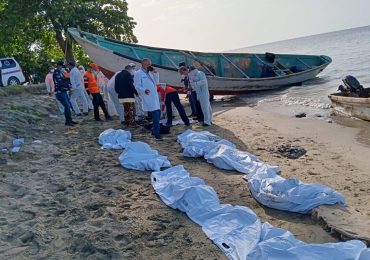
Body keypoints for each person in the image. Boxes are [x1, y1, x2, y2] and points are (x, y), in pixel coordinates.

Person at [134, 58, 162, 140]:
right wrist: (144, 90)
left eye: (150, 64)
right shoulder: (138, 73)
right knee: (155, 115)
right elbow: (137, 86)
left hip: (154, 96)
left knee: (158, 113)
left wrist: (155, 73)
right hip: (147, 96)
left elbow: (157, 83)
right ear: (143, 64)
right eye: (148, 64)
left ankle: (154, 130)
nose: (150, 65)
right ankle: (157, 134)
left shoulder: (150, 72)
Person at [53, 60, 77, 126]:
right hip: (60, 92)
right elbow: (61, 82)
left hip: (63, 91)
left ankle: (69, 120)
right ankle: (68, 122)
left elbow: (66, 80)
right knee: (67, 106)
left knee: (68, 106)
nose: (62, 67)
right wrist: (68, 84)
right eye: (61, 66)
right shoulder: (56, 73)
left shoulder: (61, 72)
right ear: (58, 66)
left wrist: (68, 83)